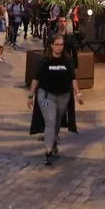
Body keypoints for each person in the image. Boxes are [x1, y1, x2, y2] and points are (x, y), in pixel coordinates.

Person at [27, 35, 84, 165]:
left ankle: (53, 142)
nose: (59, 47)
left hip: (63, 96)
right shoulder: (45, 61)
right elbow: (36, 79)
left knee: (57, 121)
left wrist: (78, 94)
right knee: (50, 120)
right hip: (46, 95)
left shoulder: (67, 61)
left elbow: (73, 79)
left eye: (61, 45)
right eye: (57, 44)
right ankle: (48, 151)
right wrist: (30, 96)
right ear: (52, 45)